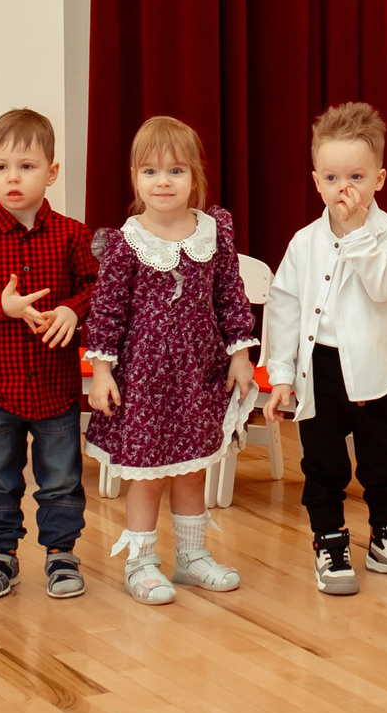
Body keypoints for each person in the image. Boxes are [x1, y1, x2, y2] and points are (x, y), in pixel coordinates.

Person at [81, 115, 257, 605]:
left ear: (195, 177)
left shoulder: (214, 232)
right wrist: (102, 370)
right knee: (147, 474)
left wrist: (240, 355)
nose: (163, 182)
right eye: (151, 172)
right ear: (135, 178)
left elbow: (230, 297)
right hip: (145, 381)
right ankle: (141, 561)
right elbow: (108, 312)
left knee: (191, 468)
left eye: (176, 171)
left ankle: (192, 556)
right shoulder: (125, 242)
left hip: (198, 375)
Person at [263, 102, 387, 596]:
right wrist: (283, 374)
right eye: (332, 177)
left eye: (356, 175)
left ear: (379, 178)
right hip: (320, 369)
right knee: (323, 462)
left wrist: (357, 234)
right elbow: (285, 308)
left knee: (383, 459)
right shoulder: (303, 242)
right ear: (316, 181)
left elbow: (383, 288)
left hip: (376, 372)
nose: (344, 188)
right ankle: (329, 541)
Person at [0, 107, 100, 602]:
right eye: (2, 166)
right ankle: (0, 553)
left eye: (27, 166)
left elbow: (98, 288)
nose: (14, 177)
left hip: (55, 387)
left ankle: (61, 554)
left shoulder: (73, 234)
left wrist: (73, 310)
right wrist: (1, 306)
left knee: (60, 479)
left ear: (51, 173)